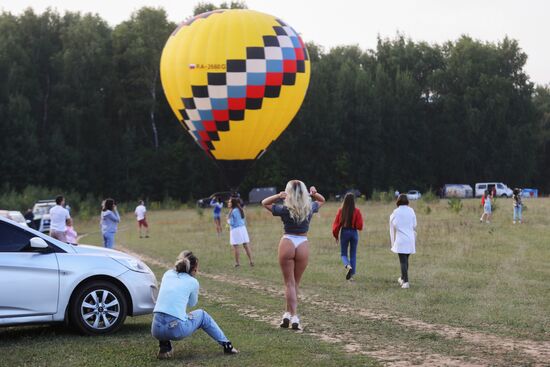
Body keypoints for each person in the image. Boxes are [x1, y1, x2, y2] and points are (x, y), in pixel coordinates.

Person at [261, 180, 325, 330]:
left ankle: (293, 315)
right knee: (295, 283)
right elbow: (322, 200)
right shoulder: (309, 207)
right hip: (302, 243)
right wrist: (314, 194)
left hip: (288, 242)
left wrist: (278, 195)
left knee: (289, 283)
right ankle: (288, 314)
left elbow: (264, 203)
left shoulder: (285, 209)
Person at [151, 251, 238, 359]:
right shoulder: (193, 281)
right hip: (176, 330)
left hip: (155, 329)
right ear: (193, 269)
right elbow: (192, 303)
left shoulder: (167, 274)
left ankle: (164, 347)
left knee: (165, 311)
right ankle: (227, 345)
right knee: (202, 315)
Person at [332, 193, 363, 280]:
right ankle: (352, 275)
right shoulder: (357, 211)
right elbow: (360, 226)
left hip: (345, 232)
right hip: (354, 233)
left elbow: (336, 225)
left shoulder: (341, 211)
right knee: (353, 254)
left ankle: (347, 265)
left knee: (343, 254)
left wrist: (336, 235)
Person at [389, 194, 417, 289]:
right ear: (407, 201)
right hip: (410, 239)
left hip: (401, 239)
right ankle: (402, 278)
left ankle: (406, 282)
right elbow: (414, 224)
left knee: (403, 261)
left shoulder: (395, 212)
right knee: (406, 260)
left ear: (398, 201)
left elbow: (394, 224)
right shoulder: (411, 210)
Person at [228, 198, 253, 267]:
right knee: (246, 245)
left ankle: (237, 263)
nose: (228, 203)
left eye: (229, 202)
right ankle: (251, 261)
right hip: (243, 229)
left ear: (233, 203)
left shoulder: (233, 211)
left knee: (236, 246)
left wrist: (227, 219)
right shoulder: (240, 209)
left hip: (235, 230)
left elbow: (231, 223)